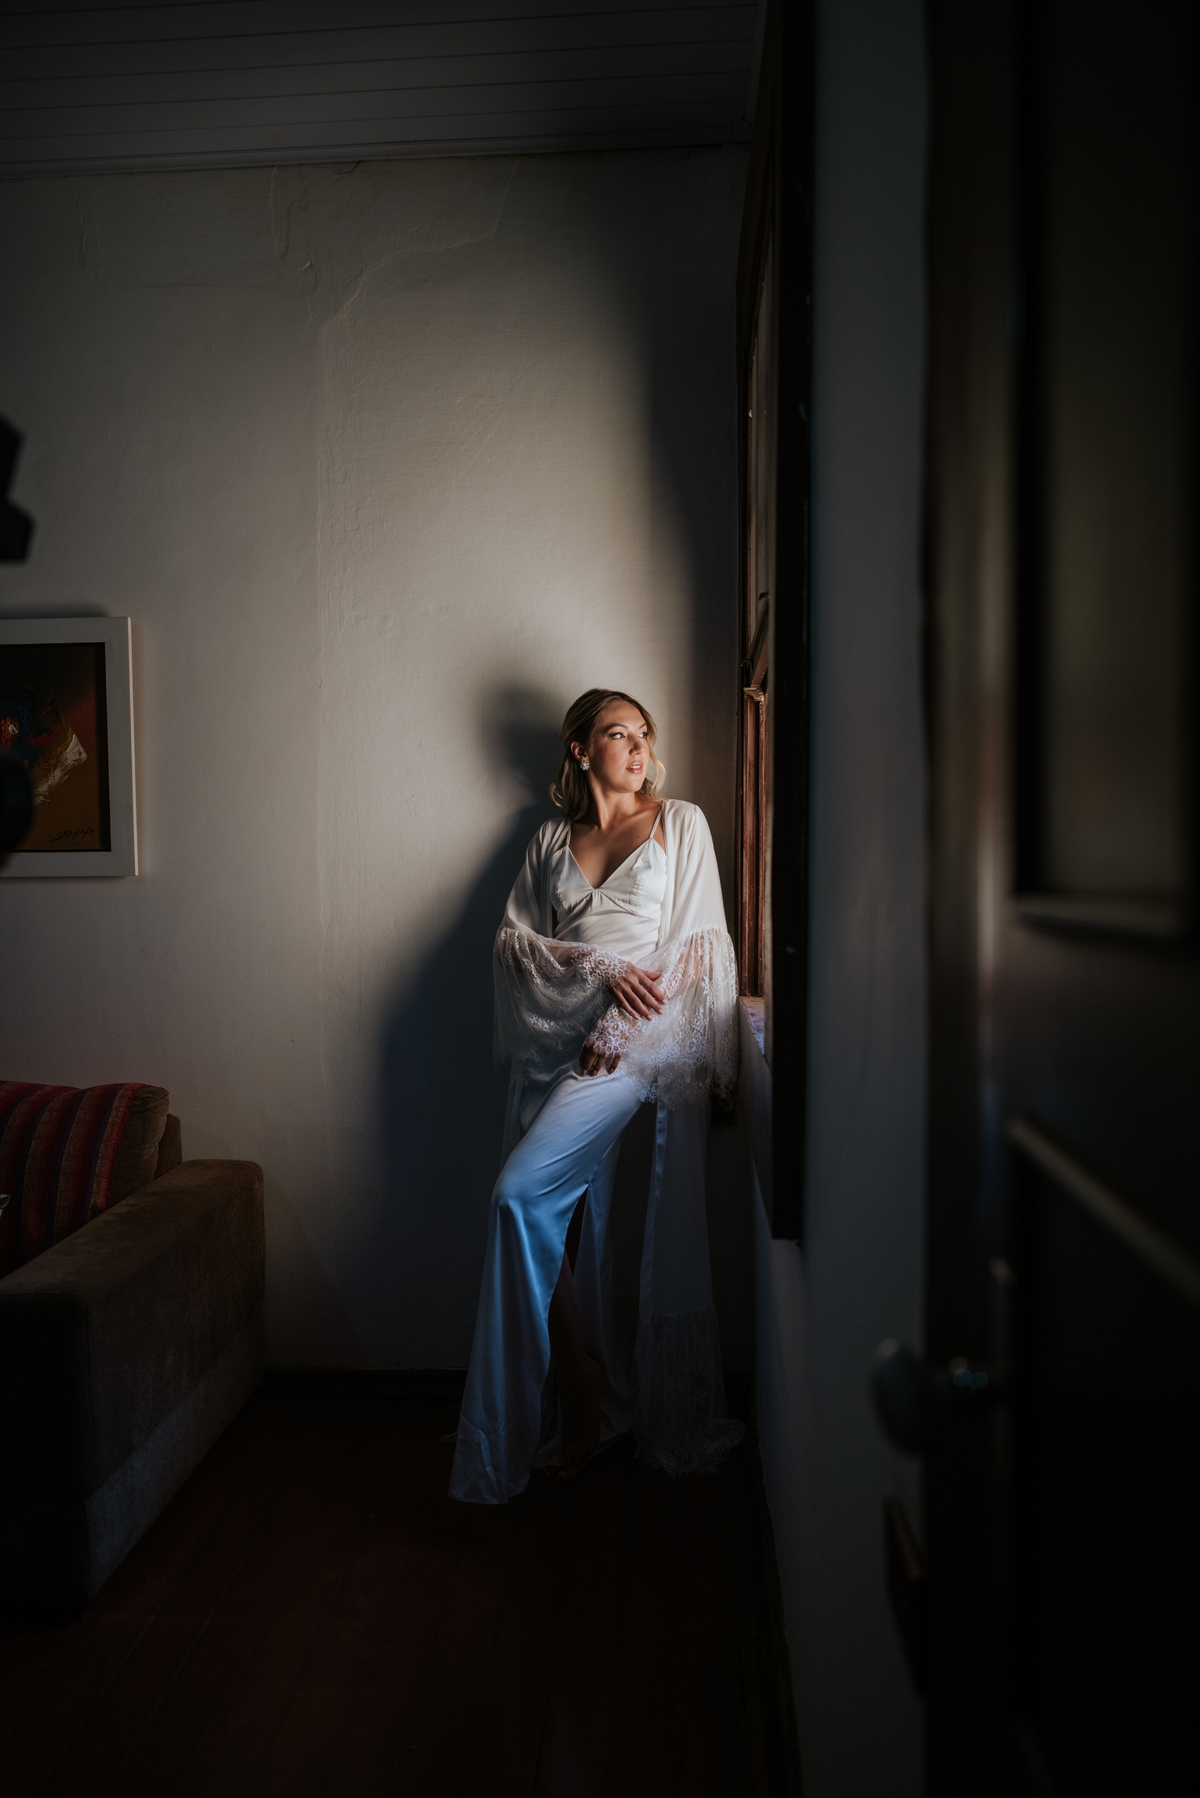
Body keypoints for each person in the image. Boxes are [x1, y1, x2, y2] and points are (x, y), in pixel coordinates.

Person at [449, 688, 743, 1504]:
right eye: (618, 733)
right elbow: (513, 942)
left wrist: (620, 1019)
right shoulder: (551, 838)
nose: (639, 747)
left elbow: (701, 946)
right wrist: (598, 965)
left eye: (644, 732)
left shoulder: (679, 823)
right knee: (552, 1218)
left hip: (628, 1047)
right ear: (581, 750)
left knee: (515, 1197)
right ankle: (579, 1385)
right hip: (551, 1041)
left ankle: (578, 1391)